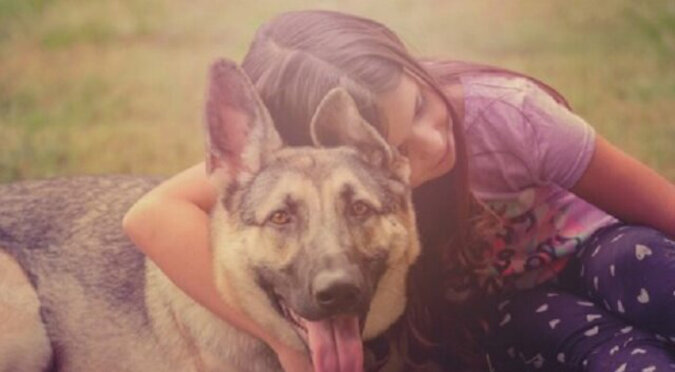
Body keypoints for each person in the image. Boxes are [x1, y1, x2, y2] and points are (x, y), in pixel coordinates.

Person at [122, 10, 675, 372]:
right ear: (322, 141)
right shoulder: (299, 167)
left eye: (420, 106)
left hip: (601, 252)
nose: (433, 143)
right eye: (399, 146)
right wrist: (285, 341)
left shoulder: (508, 114)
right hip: (512, 307)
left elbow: (659, 205)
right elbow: (151, 215)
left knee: (643, 264)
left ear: (410, 66)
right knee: (605, 352)